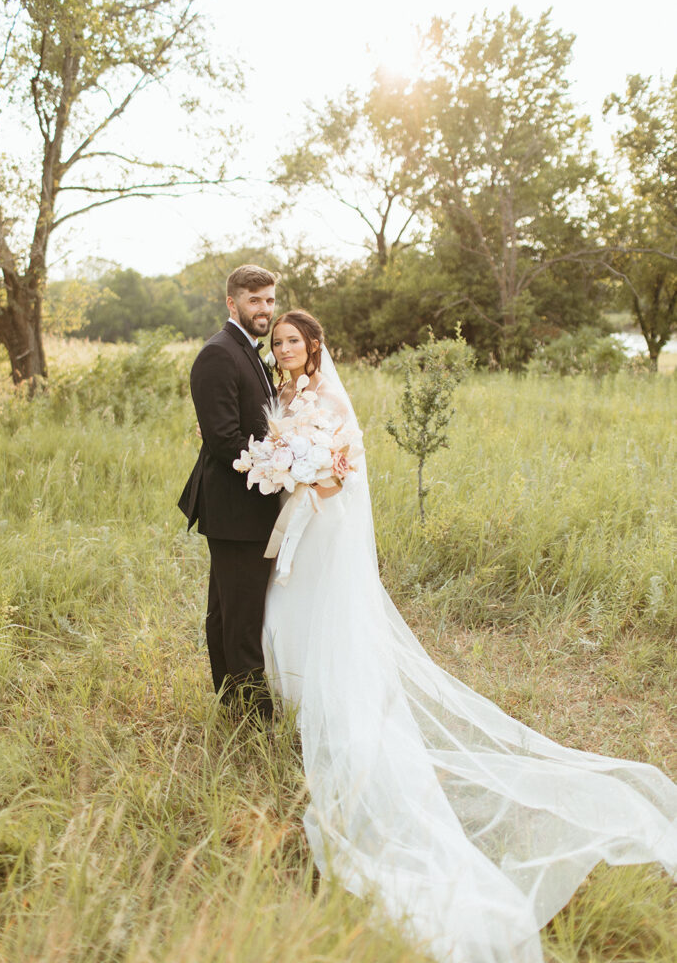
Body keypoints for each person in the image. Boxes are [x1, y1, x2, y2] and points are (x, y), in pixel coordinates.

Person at [260, 310, 677, 963]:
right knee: (287, 618)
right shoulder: (285, 393)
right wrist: (285, 467)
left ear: (314, 346)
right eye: (277, 341)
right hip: (304, 530)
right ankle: (291, 709)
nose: (283, 349)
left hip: (328, 527)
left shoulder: (328, 395)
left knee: (328, 626)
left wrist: (307, 473)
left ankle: (338, 717)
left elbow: (343, 472)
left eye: (293, 340)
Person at [178, 264, 280, 720]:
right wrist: (285, 465)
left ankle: (232, 705)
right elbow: (223, 440)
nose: (264, 308)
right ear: (232, 302)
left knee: (227, 612)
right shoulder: (218, 354)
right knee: (240, 618)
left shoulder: (252, 352)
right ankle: (256, 719)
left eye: (270, 299)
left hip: (248, 505)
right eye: (254, 299)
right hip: (236, 508)